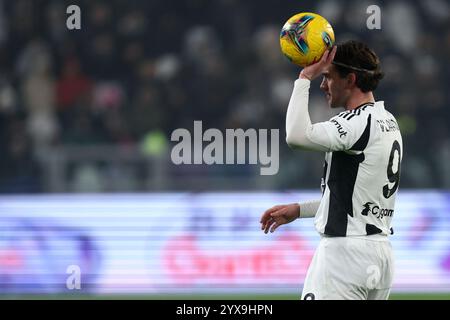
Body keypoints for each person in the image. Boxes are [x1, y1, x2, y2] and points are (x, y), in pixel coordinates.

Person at [260, 40, 402, 300]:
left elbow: (296, 136)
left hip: (345, 258)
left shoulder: (354, 123)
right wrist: (300, 210)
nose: (323, 85)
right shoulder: (388, 120)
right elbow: (353, 200)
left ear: (350, 80)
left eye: (327, 77)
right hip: (380, 255)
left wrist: (304, 78)